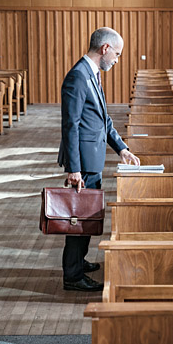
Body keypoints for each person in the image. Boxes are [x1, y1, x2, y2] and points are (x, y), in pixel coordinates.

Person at [58, 27, 140, 291]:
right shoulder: (78, 77)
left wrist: (122, 149)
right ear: (105, 48)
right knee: (78, 219)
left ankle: (79, 262)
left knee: (86, 216)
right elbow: (71, 125)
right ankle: (72, 276)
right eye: (117, 53)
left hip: (92, 160)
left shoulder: (91, 74)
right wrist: (74, 169)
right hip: (82, 163)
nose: (117, 59)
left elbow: (103, 119)